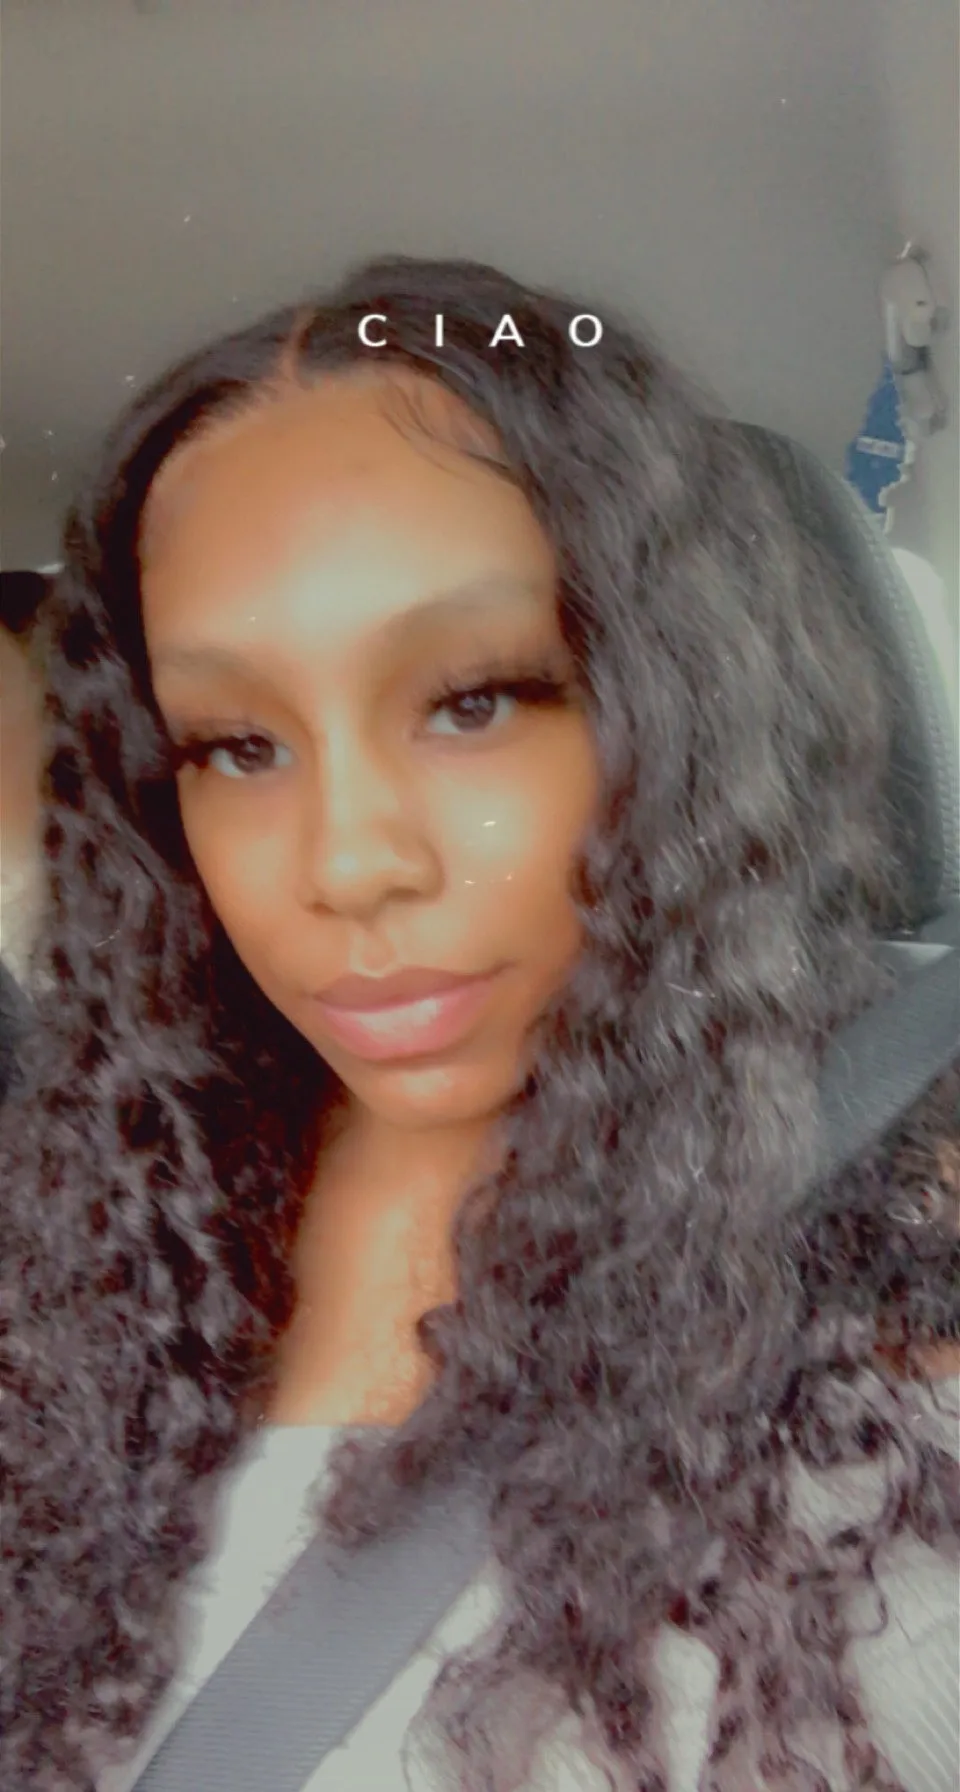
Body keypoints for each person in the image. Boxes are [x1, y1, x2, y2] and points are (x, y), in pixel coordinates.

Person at [0, 256, 957, 1792]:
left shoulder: (910, 1198)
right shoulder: (114, 1204)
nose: (347, 864)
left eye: (476, 700)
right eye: (235, 744)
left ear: (675, 705)